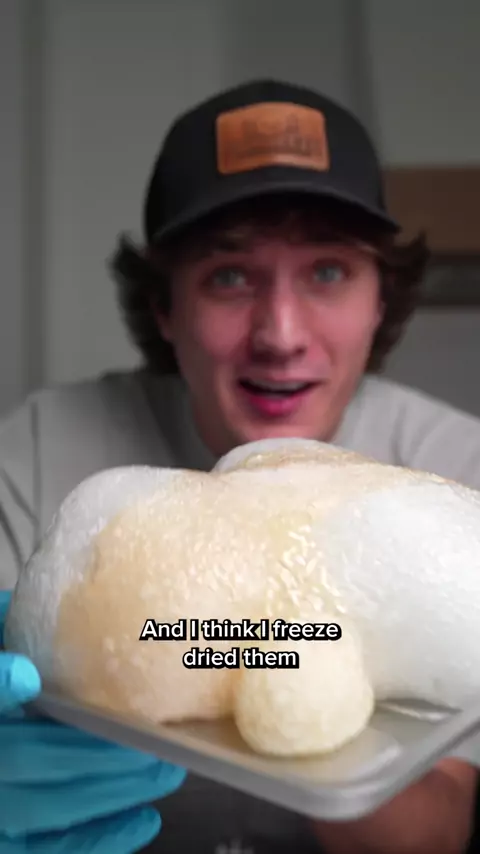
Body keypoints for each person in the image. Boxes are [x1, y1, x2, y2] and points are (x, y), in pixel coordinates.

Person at [1, 77, 480, 853]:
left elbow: (439, 833)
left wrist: (302, 682)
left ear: (380, 300)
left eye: (328, 271)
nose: (281, 335)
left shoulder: (453, 479)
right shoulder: (35, 452)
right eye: (229, 276)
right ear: (165, 307)